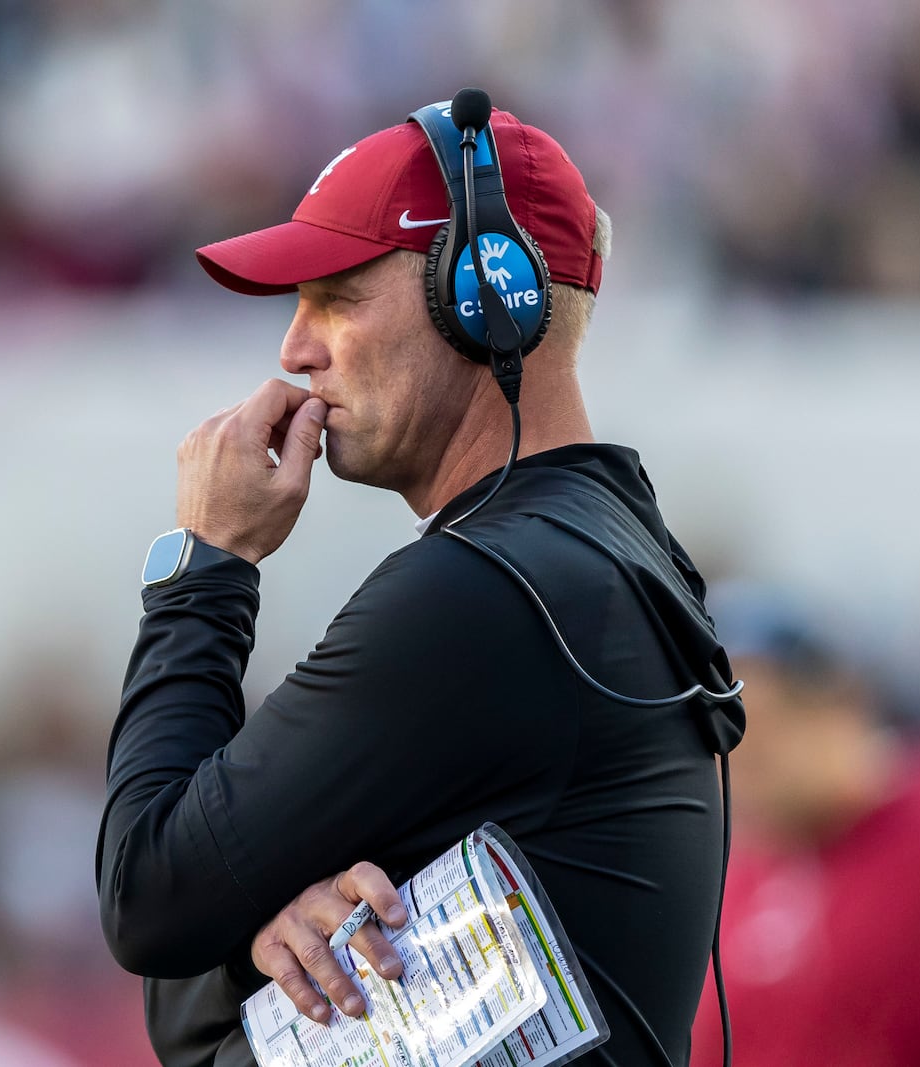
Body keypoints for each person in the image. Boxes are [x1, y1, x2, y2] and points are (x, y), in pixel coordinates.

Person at [95, 95, 744, 1067]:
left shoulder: (483, 593)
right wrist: (253, 934)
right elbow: (181, 970)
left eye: (336, 297)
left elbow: (147, 897)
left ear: (483, 298)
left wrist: (206, 565)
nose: (294, 348)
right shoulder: (594, 549)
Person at [690, 588, 920, 1067]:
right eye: (723, 738)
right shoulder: (740, 870)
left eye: (764, 725)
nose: (740, 759)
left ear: (840, 709)